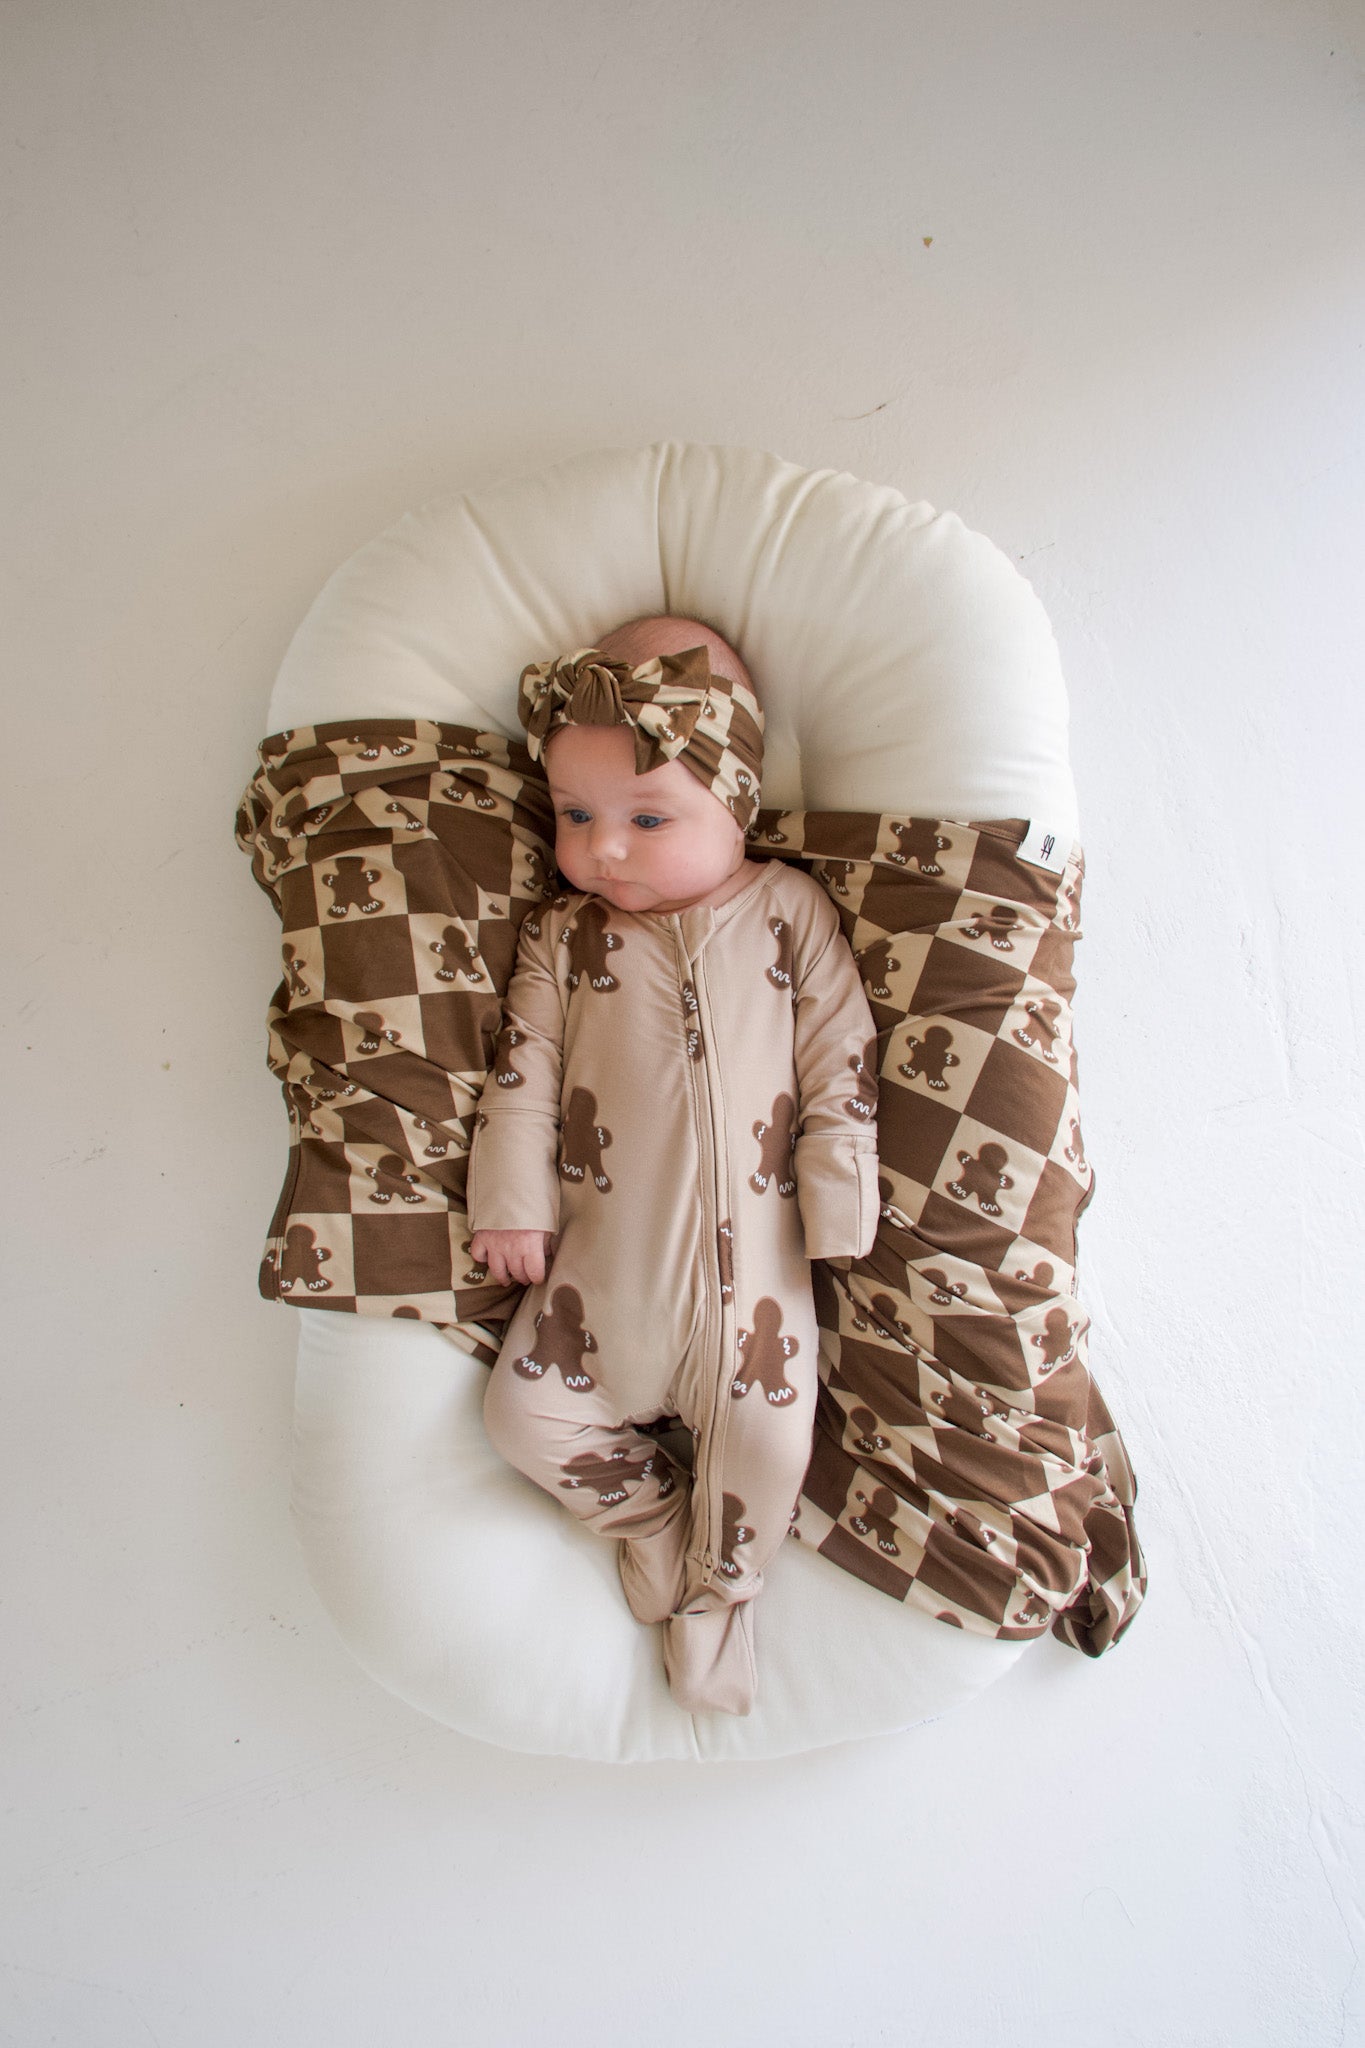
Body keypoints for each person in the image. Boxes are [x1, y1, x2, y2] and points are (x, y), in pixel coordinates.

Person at [467, 615, 880, 1715]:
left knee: (769, 1448)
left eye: (648, 817)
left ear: (735, 803)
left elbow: (843, 1047)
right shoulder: (567, 937)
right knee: (520, 1419)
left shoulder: (787, 912)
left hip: (757, 1301)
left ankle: (717, 1597)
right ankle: (650, 1512)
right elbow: (524, 1066)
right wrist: (509, 1200)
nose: (603, 846)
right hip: (597, 1292)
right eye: (577, 814)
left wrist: (839, 1184)